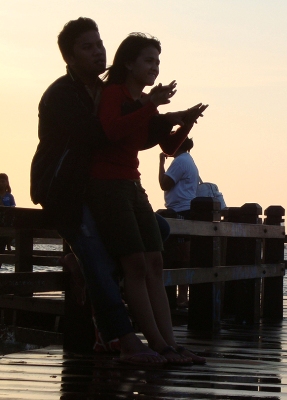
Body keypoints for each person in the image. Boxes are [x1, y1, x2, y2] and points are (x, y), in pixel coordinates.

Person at [30, 18, 174, 366]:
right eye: (87, 47)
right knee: (95, 251)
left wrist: (167, 118)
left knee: (160, 230)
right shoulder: (63, 94)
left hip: (97, 188)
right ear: (70, 57)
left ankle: (78, 265)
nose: (98, 51)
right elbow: (98, 135)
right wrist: (147, 107)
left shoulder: (105, 89)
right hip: (64, 188)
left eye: (99, 44)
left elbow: (128, 137)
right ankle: (123, 338)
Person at [86, 33, 207, 365]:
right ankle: (156, 344)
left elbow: (168, 147)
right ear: (129, 63)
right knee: (135, 264)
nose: (155, 67)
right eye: (148, 60)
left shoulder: (141, 101)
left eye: (157, 61)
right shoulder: (115, 94)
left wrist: (185, 122)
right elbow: (112, 130)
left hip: (133, 185)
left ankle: (170, 343)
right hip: (108, 186)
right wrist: (152, 105)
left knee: (155, 261)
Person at [158, 137, 199, 308]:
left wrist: (161, 163)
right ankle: (181, 296)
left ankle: (180, 297)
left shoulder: (180, 161)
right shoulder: (188, 160)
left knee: (180, 255)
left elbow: (164, 184)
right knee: (181, 255)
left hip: (180, 210)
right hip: (185, 209)